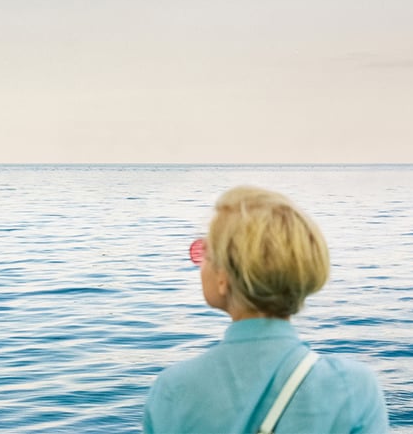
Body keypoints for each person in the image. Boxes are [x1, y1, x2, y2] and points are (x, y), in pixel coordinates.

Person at [143, 185, 389, 434]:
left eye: (205, 251)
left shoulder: (173, 390)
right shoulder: (354, 388)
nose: (199, 264)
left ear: (223, 277)